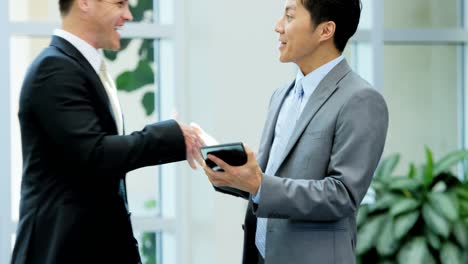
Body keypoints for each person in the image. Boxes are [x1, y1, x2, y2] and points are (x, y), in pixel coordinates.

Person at [11, 0, 203, 263]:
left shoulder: (78, 66)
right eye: (120, 4)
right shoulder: (54, 68)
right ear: (85, 3)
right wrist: (170, 136)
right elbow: (95, 153)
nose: (128, 15)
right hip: (64, 250)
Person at [202, 0, 389, 263]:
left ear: (325, 31)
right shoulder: (281, 95)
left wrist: (259, 184)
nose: (278, 27)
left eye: (289, 17)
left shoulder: (361, 100)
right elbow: (269, 181)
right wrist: (231, 174)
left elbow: (342, 195)